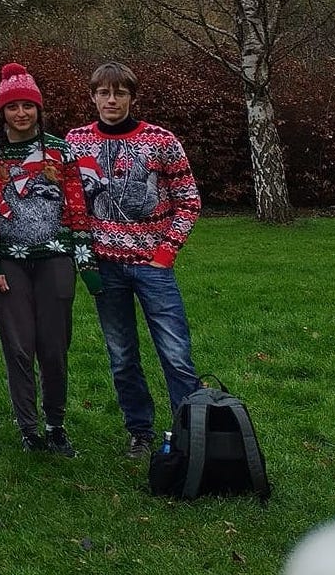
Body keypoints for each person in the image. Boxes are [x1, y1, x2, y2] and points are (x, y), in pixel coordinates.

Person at [65, 62, 202, 458]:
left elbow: (188, 201)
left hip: (151, 266)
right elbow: (71, 205)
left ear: (131, 97)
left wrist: (165, 252)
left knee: (175, 353)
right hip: (105, 267)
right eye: (104, 93)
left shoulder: (161, 141)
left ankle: (189, 433)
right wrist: (84, 257)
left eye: (119, 93)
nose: (112, 100)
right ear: (93, 97)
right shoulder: (75, 143)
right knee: (122, 355)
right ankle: (138, 431)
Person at [0, 64, 98, 457]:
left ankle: (56, 424)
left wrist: (86, 260)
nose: (21, 114)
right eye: (13, 107)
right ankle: (28, 428)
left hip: (55, 259)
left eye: (28, 106)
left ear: (39, 110)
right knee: (19, 346)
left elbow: (77, 205)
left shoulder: (60, 151)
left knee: (54, 347)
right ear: (2, 112)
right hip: (8, 261)